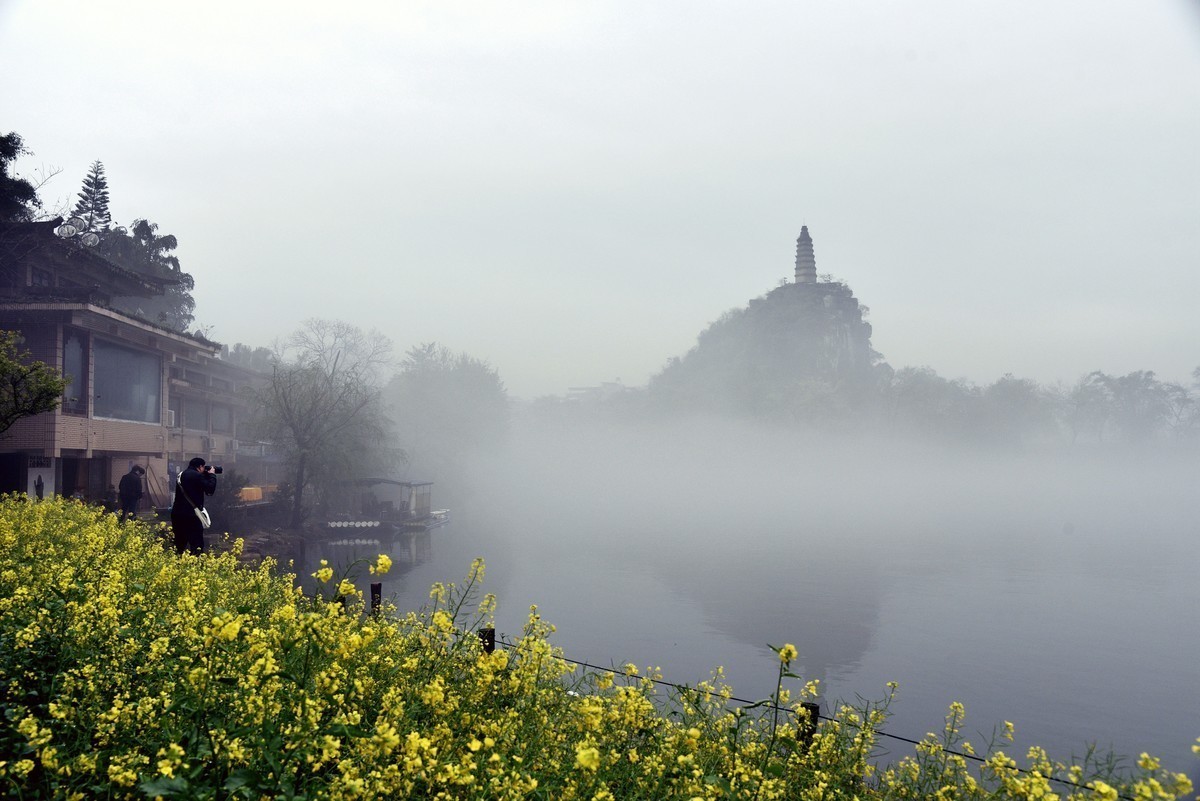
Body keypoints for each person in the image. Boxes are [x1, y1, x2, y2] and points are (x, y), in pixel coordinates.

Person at [171, 457, 218, 555]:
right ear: (200, 466)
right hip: (191, 514)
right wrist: (212, 475)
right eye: (204, 467)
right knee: (196, 543)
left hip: (177, 514)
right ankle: (195, 564)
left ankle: (177, 564)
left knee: (179, 543)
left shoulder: (181, 475)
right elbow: (210, 489)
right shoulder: (197, 476)